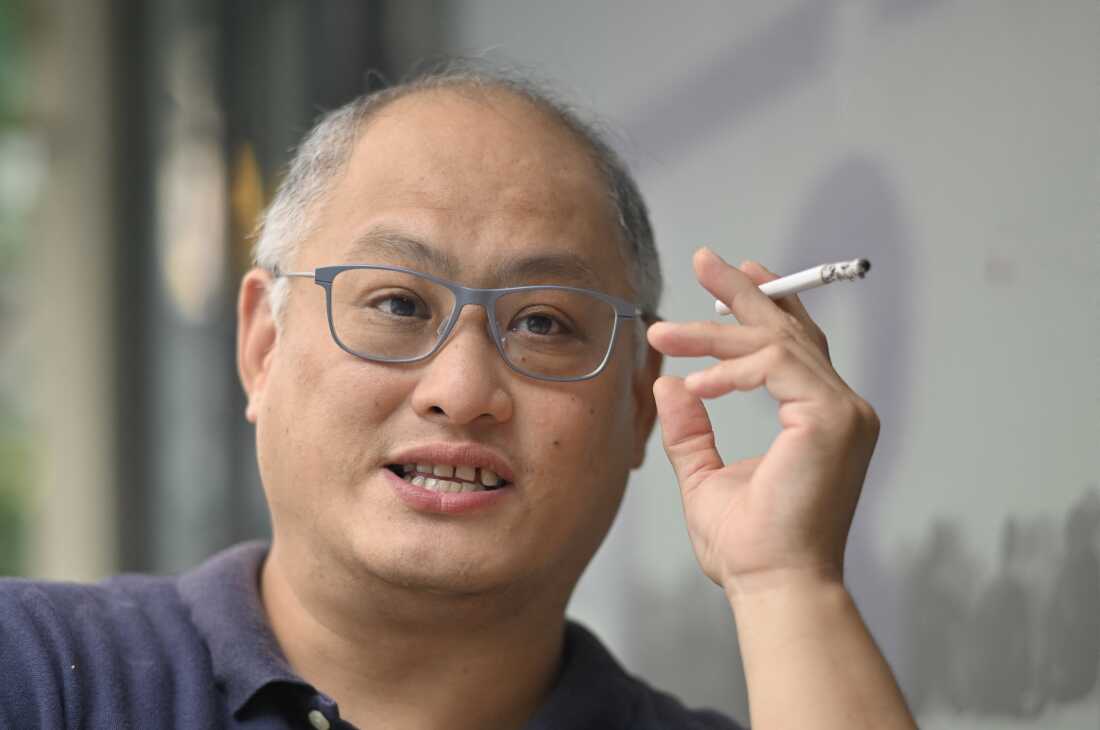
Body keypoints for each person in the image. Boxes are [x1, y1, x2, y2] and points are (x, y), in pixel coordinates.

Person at [0, 65, 916, 729]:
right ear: (263, 345)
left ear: (641, 404)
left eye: (545, 323)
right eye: (398, 304)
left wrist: (786, 581)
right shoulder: (43, 677)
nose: (464, 390)